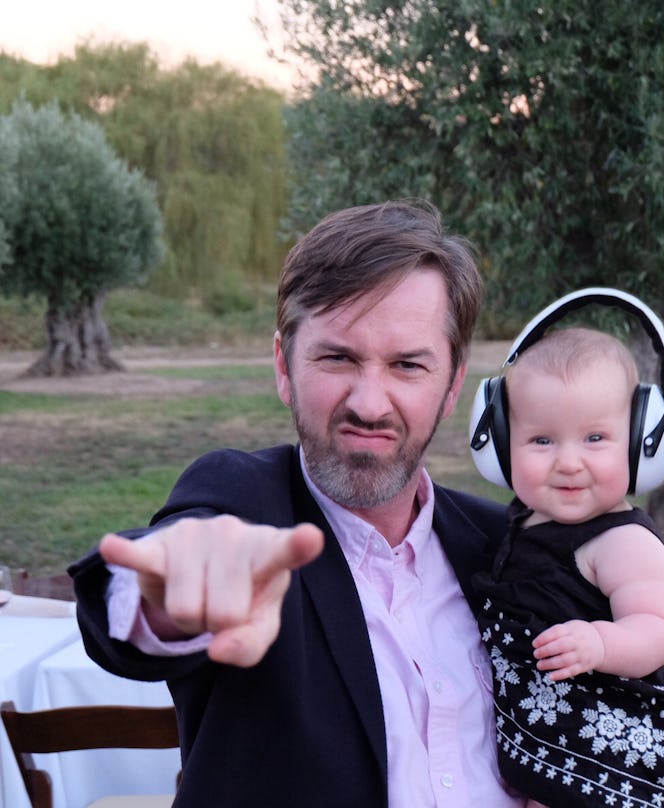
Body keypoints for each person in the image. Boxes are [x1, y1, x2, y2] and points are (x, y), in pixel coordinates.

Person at [69, 199, 531, 807]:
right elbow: (136, 601)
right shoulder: (245, 499)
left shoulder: (508, 545)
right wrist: (172, 592)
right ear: (284, 367)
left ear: (451, 387)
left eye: (407, 365)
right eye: (337, 357)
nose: (370, 403)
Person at [471, 326, 664, 807]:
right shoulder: (525, 521)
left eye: (595, 438)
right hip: (562, 730)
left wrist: (600, 641)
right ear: (500, 443)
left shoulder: (623, 542)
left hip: (629, 732)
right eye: (541, 440)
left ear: (641, 443)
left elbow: (659, 628)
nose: (569, 462)